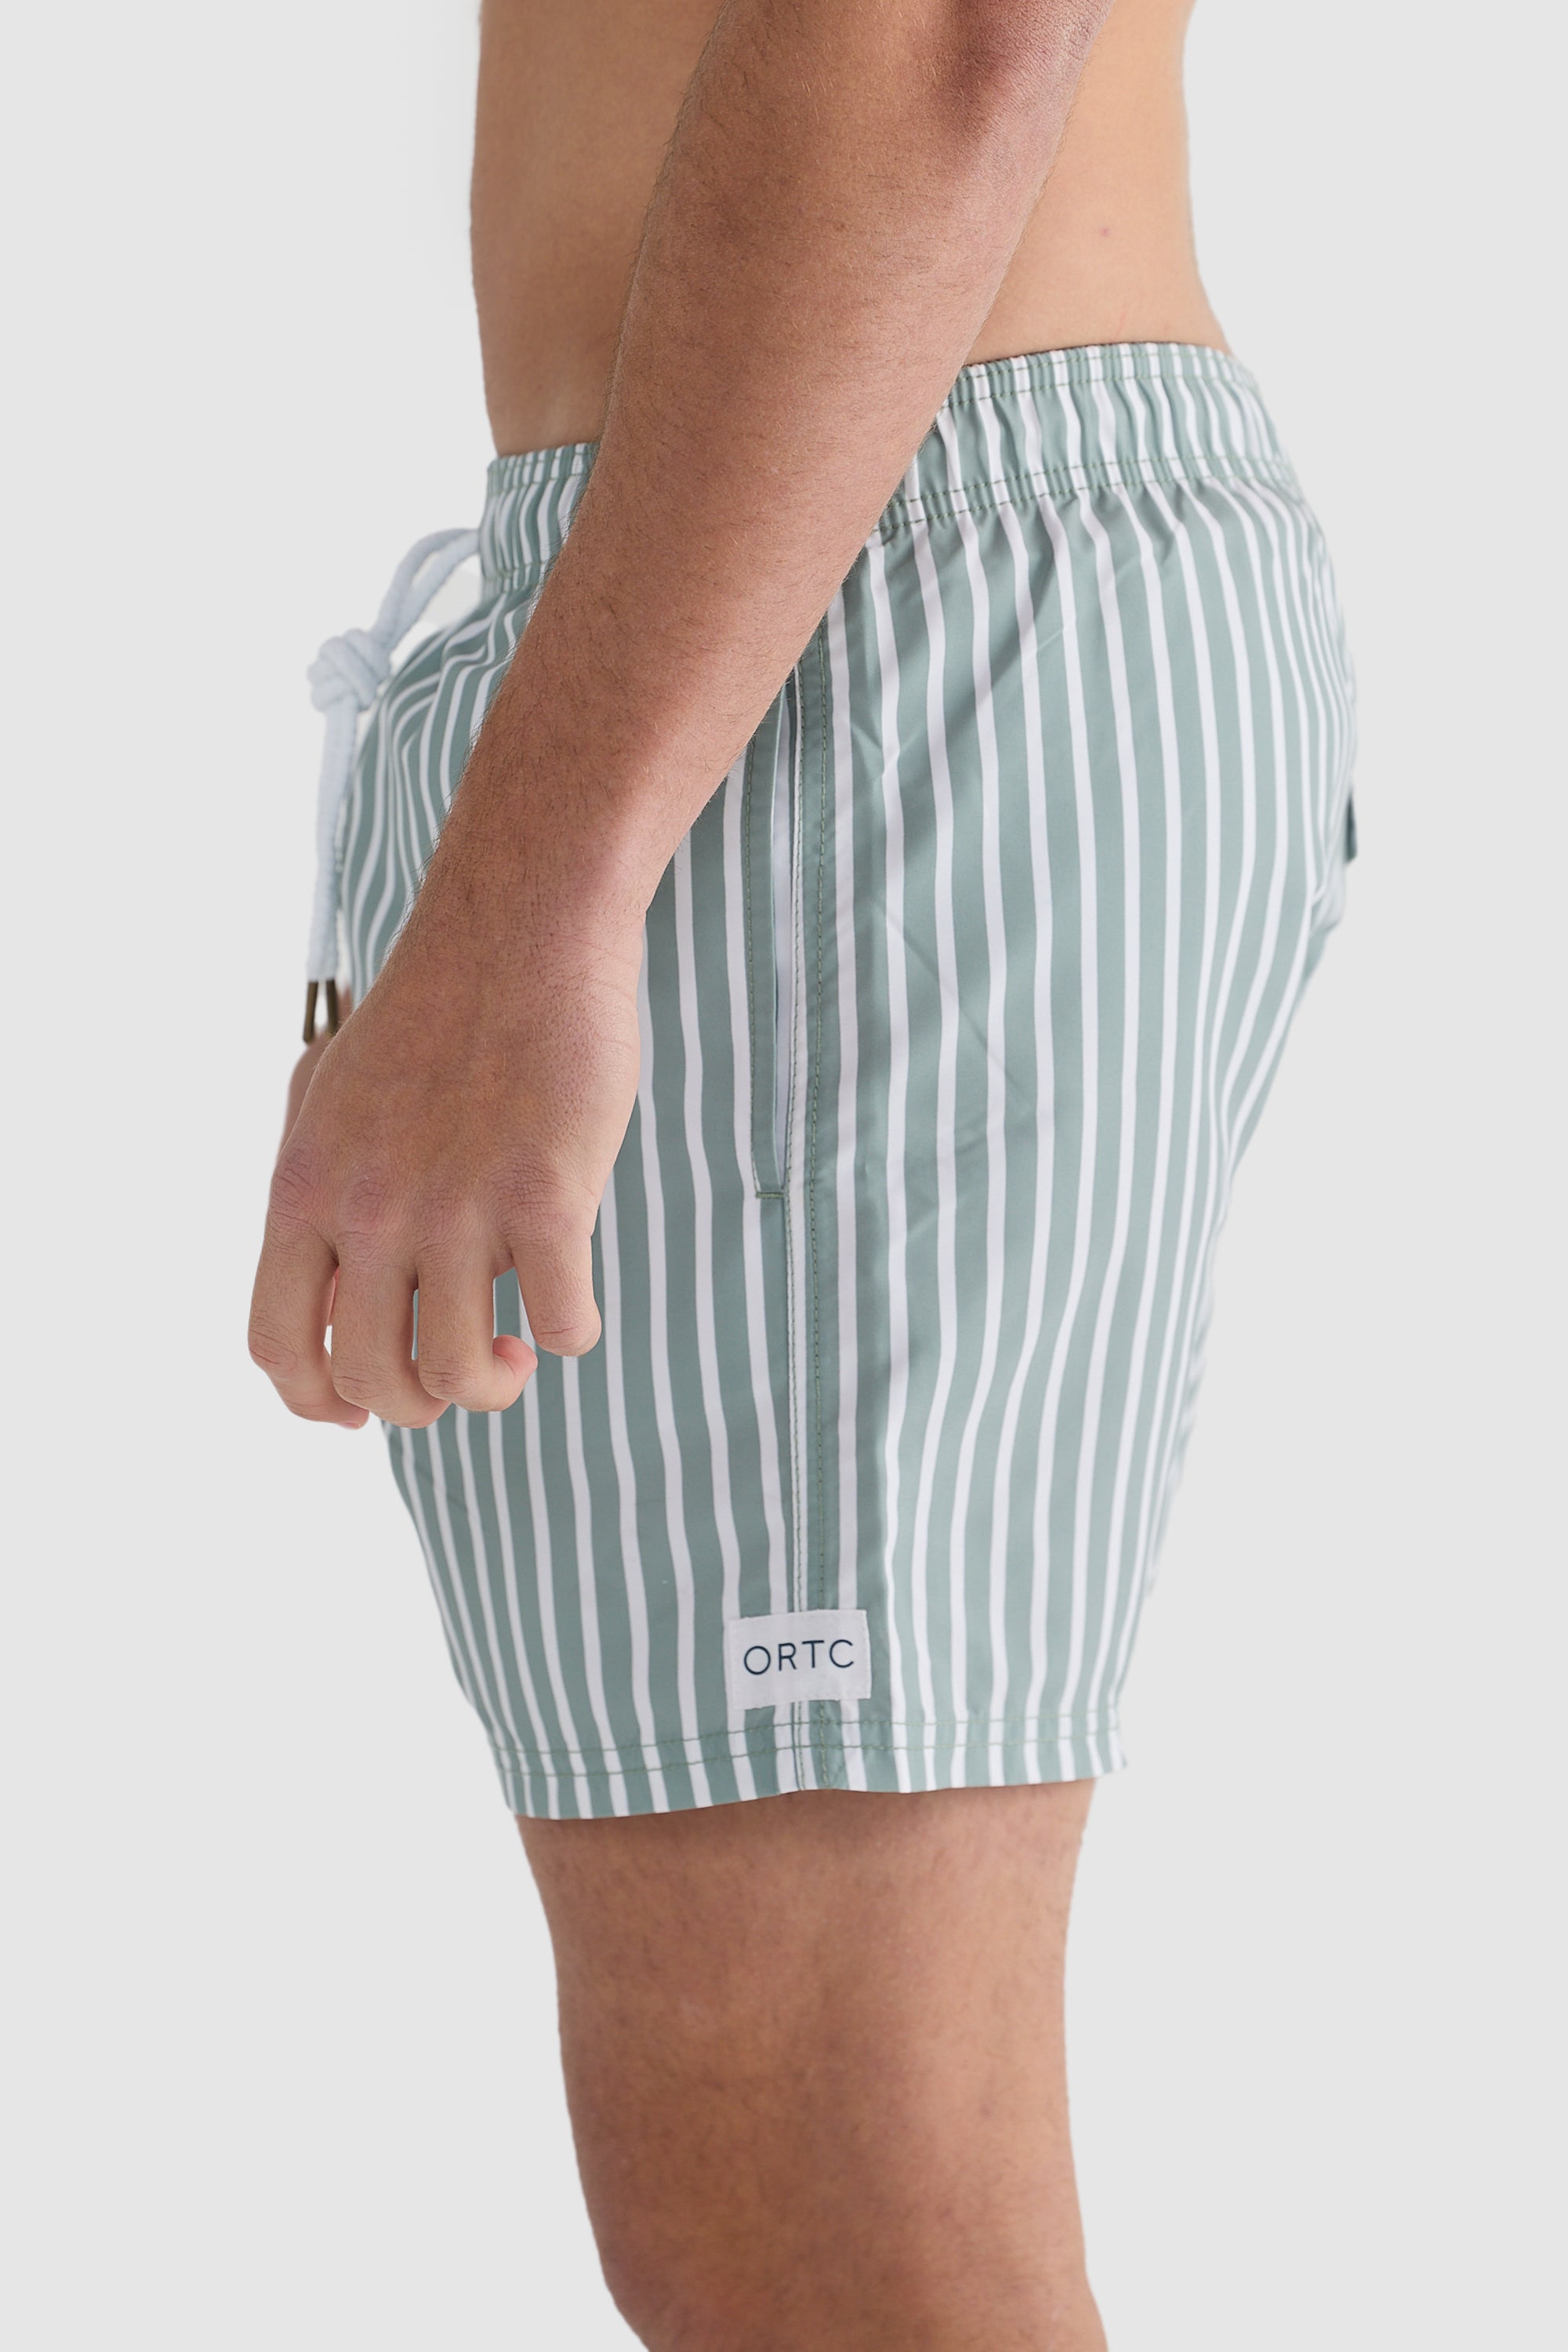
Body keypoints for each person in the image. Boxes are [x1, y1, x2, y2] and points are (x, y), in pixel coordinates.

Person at [250, 0, 1355, 2341]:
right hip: (798, 561)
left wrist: (540, 878)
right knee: (784, 2204)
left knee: (846, 2214)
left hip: (829, 595)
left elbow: (947, 25)